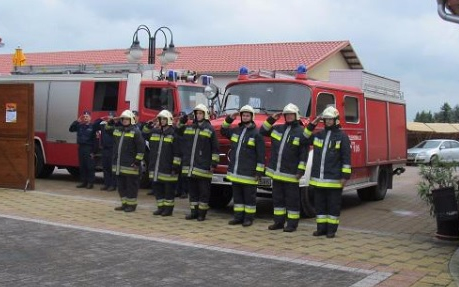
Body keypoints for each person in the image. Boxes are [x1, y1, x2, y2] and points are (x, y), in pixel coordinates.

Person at [303, 106, 351, 238]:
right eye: (326, 119)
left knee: (333, 207)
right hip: (318, 180)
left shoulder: (342, 137)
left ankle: (331, 230)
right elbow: (304, 138)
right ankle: (321, 229)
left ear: (336, 120)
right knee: (320, 206)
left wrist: (345, 176)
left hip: (334, 180)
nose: (328, 121)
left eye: (330, 119)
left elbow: (346, 158)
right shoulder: (319, 135)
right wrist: (313, 124)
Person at [260, 103, 309, 232]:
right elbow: (263, 131)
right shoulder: (278, 128)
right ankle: (278, 222)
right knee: (278, 199)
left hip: (291, 173)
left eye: (291, 115)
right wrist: (272, 119)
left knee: (292, 200)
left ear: (296, 116)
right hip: (277, 173)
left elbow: (303, 154)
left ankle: (292, 224)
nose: (288, 117)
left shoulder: (302, 132)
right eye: (286, 115)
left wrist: (301, 170)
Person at [221, 105, 265, 227]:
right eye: (243, 115)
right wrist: (229, 119)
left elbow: (261, 155)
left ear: (252, 117)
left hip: (249, 173)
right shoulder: (236, 130)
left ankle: (249, 218)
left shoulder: (257, 134)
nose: (245, 117)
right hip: (236, 173)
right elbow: (223, 130)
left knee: (249, 198)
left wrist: (259, 172)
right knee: (238, 198)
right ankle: (238, 217)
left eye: (247, 115)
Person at [177, 104, 219, 221]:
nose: (198, 115)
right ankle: (194, 212)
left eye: (200, 113)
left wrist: (213, 163)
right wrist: (183, 119)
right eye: (197, 113)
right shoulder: (190, 127)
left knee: (204, 192)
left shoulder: (209, 129)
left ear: (205, 115)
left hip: (203, 167)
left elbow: (215, 148)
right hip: (191, 166)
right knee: (193, 191)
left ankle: (202, 214)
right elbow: (178, 129)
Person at [143, 110, 181, 216]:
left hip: (168, 167)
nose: (162, 121)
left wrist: (175, 165)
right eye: (160, 119)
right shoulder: (155, 131)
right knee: (157, 188)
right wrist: (148, 125)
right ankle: (160, 207)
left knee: (168, 190)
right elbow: (144, 134)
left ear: (168, 120)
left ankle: (168, 209)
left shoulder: (173, 134)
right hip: (156, 166)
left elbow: (177, 152)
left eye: (164, 119)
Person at [106, 110, 145, 212]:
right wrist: (111, 122)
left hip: (131, 166)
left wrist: (137, 161)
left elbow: (141, 148)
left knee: (131, 186)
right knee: (121, 186)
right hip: (119, 165)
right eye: (123, 119)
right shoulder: (118, 130)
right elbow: (108, 129)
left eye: (127, 119)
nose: (125, 121)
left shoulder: (136, 132)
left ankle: (131, 205)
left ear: (131, 120)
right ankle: (124, 204)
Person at [69, 110, 97, 189]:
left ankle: (90, 183)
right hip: (81, 148)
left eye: (87, 117)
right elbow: (71, 129)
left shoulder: (93, 127)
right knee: (82, 166)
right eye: (84, 117)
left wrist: (93, 152)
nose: (85, 118)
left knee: (90, 166)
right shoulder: (80, 126)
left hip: (89, 148)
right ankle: (83, 182)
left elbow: (96, 141)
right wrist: (76, 122)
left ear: (90, 118)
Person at [94, 111, 118, 191]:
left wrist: (112, 122)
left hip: (112, 149)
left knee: (112, 168)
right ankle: (106, 184)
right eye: (109, 116)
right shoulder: (103, 124)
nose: (109, 118)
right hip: (104, 149)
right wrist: (101, 119)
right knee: (105, 167)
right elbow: (94, 125)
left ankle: (113, 185)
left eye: (111, 116)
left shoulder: (116, 126)